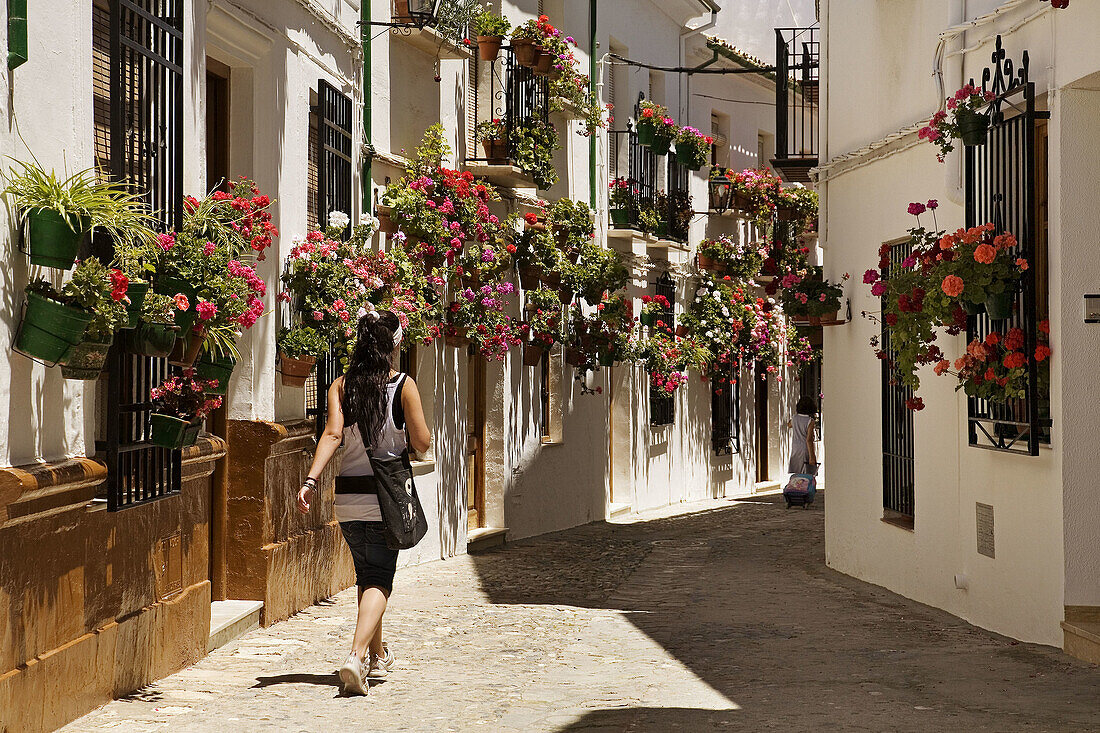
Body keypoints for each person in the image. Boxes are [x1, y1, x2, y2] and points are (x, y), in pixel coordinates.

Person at [297, 310, 431, 696]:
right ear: (393, 345)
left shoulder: (341, 386)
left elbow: (333, 434)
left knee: (366, 574)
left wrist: (310, 480)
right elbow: (421, 443)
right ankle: (355, 657)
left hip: (348, 498)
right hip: (385, 498)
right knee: (379, 579)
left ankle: (377, 656)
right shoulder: (403, 385)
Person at [788, 396, 818, 476]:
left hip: (795, 448)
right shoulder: (810, 421)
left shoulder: (794, 418)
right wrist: (812, 456)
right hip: (805, 448)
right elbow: (809, 440)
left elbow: (789, 425)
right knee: (807, 473)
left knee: (797, 472)